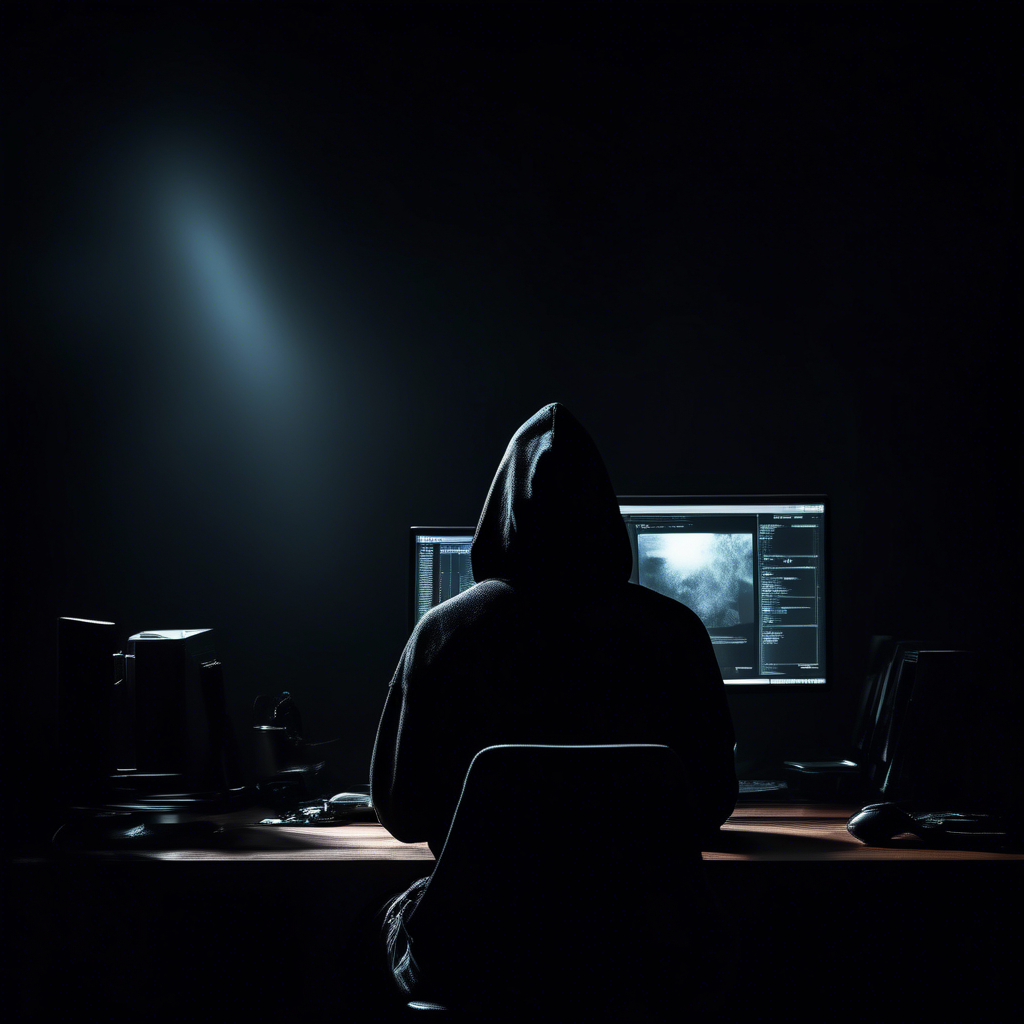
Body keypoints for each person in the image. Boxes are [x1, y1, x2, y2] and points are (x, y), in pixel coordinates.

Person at [369, 402, 738, 1005]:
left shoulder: (442, 633)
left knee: (363, 918)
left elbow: (401, 814)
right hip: (644, 948)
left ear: (501, 510)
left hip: (483, 951)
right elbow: (713, 802)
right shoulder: (675, 631)